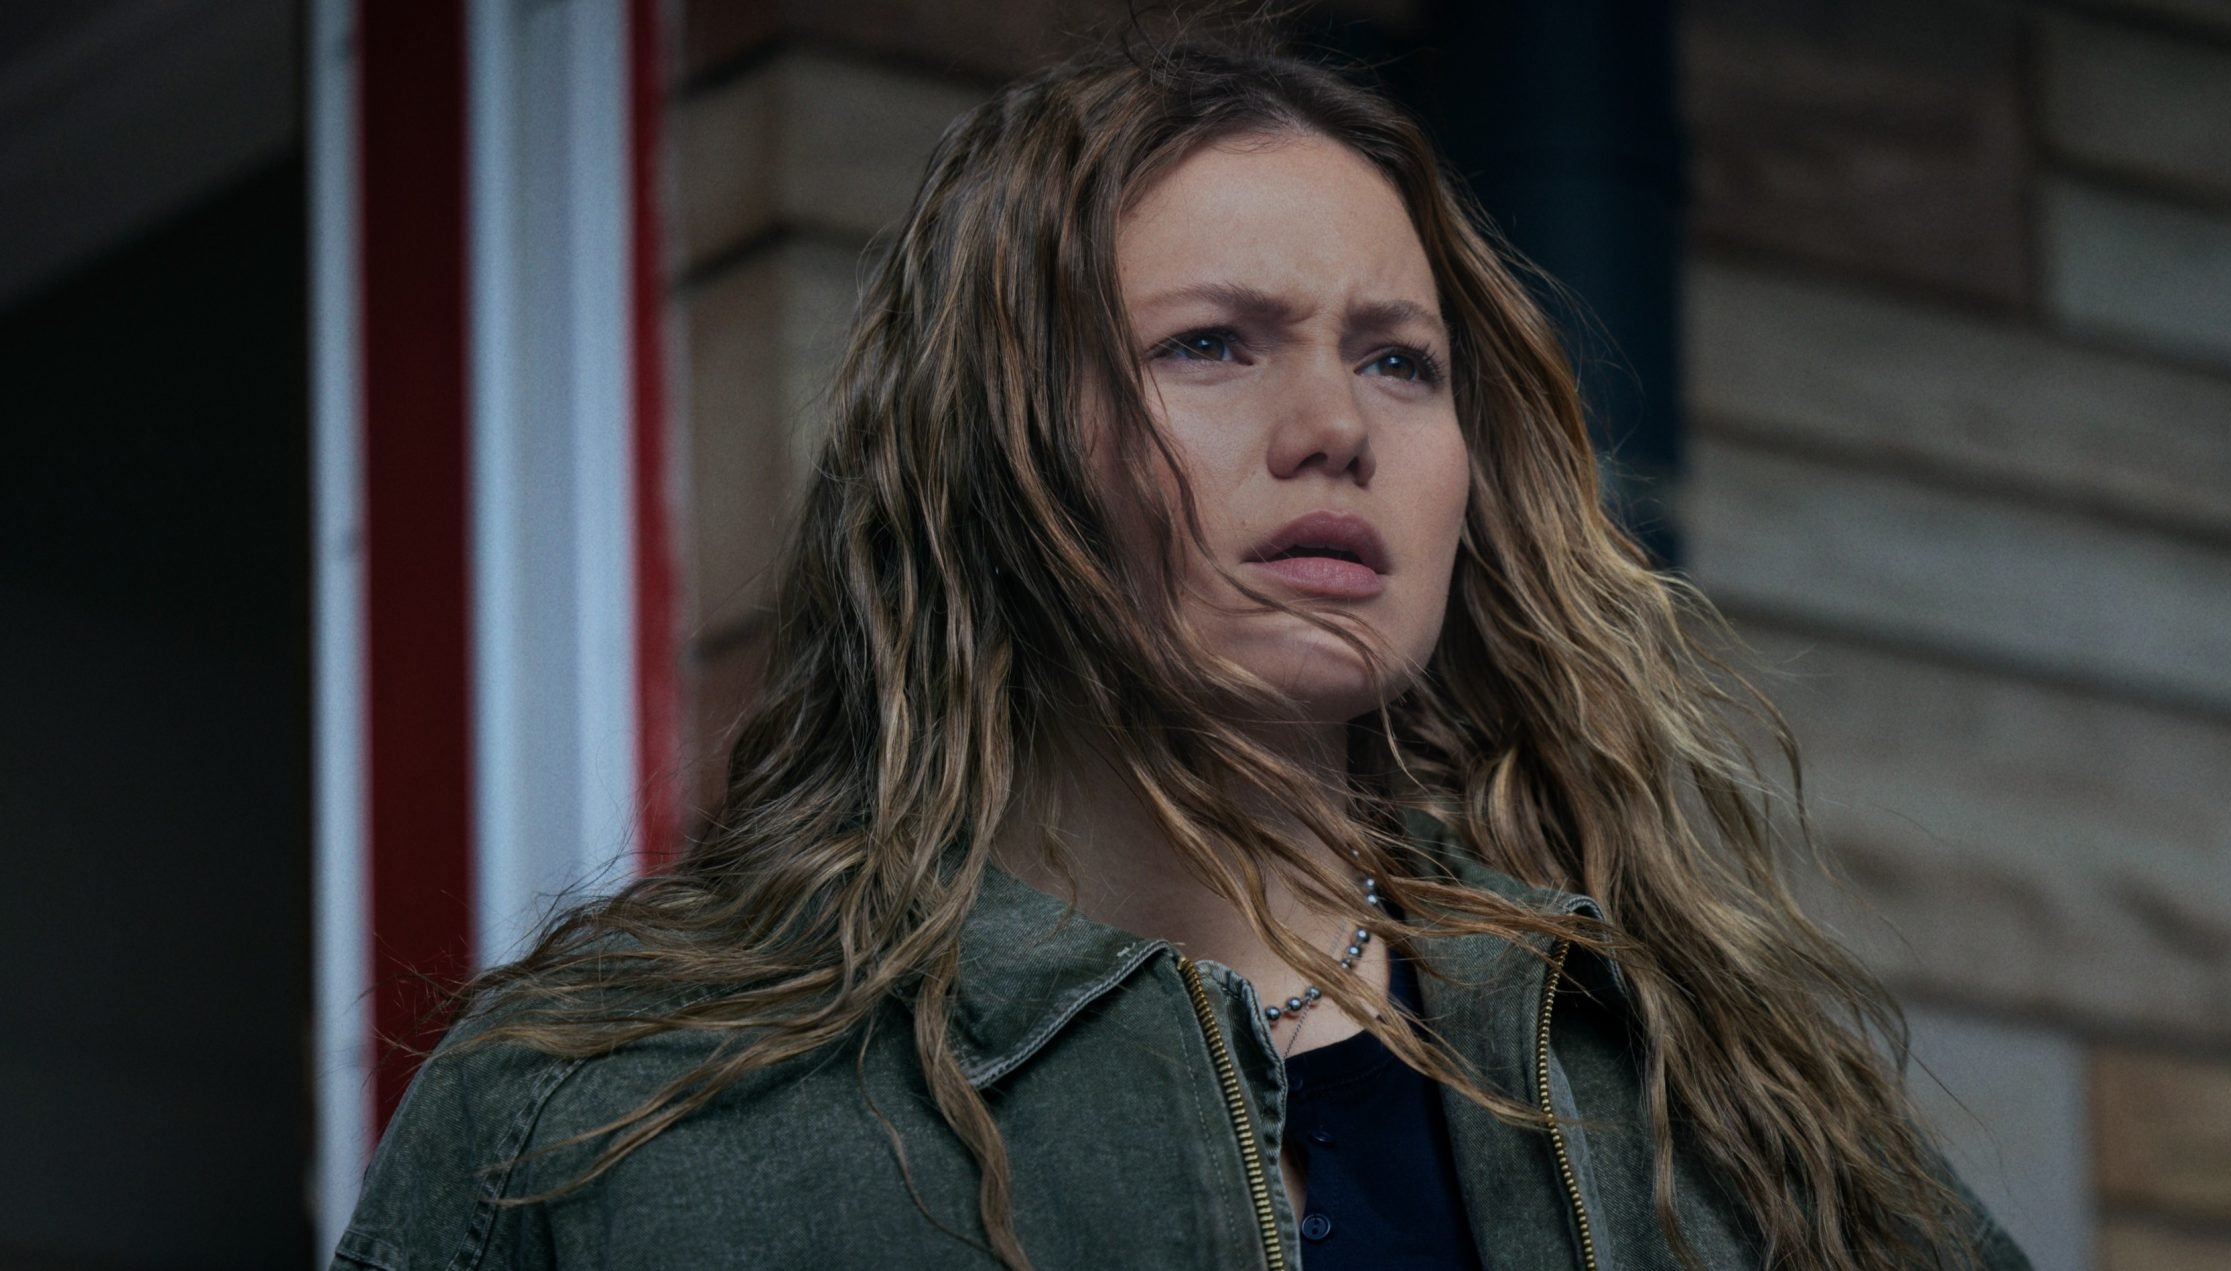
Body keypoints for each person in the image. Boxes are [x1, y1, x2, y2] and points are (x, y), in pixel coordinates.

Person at [333, 33, 2031, 1271]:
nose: (1332, 430)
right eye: (1212, 345)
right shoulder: (617, 1122)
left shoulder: (1708, 1095)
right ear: (995, 445)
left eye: (1400, 361)